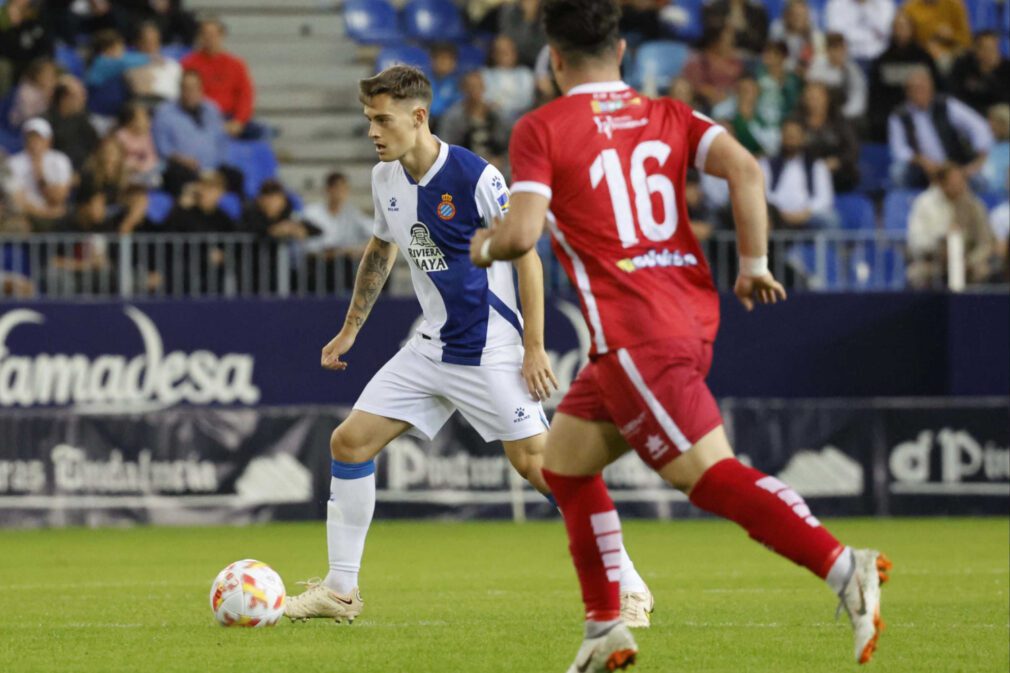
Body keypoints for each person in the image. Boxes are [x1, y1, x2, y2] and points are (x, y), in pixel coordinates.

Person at [467, 2, 889, 671]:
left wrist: (485, 245)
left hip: (635, 330)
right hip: (678, 319)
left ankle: (844, 565)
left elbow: (520, 235)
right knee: (566, 465)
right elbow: (747, 169)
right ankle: (605, 625)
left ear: (552, 59)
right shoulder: (669, 115)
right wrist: (753, 265)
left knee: (709, 475)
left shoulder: (540, 128)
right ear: (624, 51)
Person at [283, 65, 653, 629]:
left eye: (382, 120)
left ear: (419, 117)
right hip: (429, 349)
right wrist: (351, 327)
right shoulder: (385, 179)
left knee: (544, 467)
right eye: (368, 121)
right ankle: (340, 589)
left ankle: (629, 585)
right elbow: (380, 251)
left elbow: (526, 254)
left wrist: (534, 346)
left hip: (489, 351)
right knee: (351, 443)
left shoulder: (476, 176)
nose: (373, 132)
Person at [888, 66, 993, 188]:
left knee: (982, 179)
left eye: (923, 88)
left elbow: (979, 126)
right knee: (898, 171)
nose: (919, 92)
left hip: (953, 165)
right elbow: (898, 150)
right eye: (914, 89)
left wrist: (980, 156)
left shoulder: (947, 105)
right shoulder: (899, 116)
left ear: (931, 88)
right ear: (907, 92)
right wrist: (921, 161)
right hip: (920, 169)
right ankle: (904, 203)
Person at [906, 162, 994, 287]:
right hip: (933, 261)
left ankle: (975, 306)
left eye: (962, 181)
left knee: (983, 270)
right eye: (954, 183)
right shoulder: (924, 203)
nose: (960, 186)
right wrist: (940, 244)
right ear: (942, 184)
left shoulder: (974, 205)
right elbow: (916, 240)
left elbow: (985, 242)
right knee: (916, 273)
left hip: (967, 260)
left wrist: (969, 261)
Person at [152, 69, 237, 196]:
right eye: (186, 88)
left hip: (213, 168)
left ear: (201, 90)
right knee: (176, 176)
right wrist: (181, 159)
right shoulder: (165, 113)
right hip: (184, 168)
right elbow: (162, 146)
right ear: (180, 90)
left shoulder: (212, 109)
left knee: (236, 176)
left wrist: (216, 166)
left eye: (194, 88)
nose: (190, 93)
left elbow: (222, 141)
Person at [867, 11, 941, 141]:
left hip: (924, 112)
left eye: (904, 26)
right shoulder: (882, 60)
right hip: (892, 115)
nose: (901, 31)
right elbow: (876, 96)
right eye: (897, 27)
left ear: (912, 30)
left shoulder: (924, 58)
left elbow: (938, 87)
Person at [181, 17, 255, 138]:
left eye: (213, 34)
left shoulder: (236, 64)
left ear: (222, 36)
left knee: (262, 132)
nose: (209, 38)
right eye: (205, 34)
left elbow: (246, 95)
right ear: (200, 37)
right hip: (201, 118)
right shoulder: (188, 64)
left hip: (231, 117)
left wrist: (238, 121)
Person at [762, 119, 838, 228]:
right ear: (781, 137)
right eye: (788, 135)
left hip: (808, 216)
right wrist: (779, 212)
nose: (791, 140)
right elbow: (763, 194)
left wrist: (805, 213)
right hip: (777, 216)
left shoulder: (817, 166)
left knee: (831, 219)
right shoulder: (767, 164)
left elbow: (824, 198)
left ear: (803, 138)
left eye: (795, 135)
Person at [3, 117, 72, 231]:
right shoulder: (13, 163)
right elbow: (17, 200)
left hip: (57, 217)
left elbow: (58, 198)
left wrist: (39, 173)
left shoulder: (60, 160)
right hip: (28, 216)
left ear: (49, 140)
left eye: (39, 138)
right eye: (31, 137)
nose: (35, 142)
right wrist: (45, 214)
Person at [438, 71, 510, 169]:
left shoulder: (496, 114)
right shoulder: (452, 117)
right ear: (463, 89)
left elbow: (509, 143)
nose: (474, 91)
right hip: (465, 165)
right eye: (470, 87)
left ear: (484, 87)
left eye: (478, 86)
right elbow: (445, 147)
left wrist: (500, 159)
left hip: (495, 165)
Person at [798, 81, 860, 193]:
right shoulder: (797, 122)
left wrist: (838, 161)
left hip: (836, 173)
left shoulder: (840, 121)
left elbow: (853, 149)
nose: (814, 101)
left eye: (818, 97)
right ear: (804, 100)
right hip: (805, 173)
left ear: (827, 98)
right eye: (810, 97)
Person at [680, 24, 745, 110]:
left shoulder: (736, 62)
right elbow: (695, 85)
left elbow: (741, 83)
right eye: (725, 41)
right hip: (707, 105)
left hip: (733, 102)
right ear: (714, 43)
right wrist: (713, 93)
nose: (730, 46)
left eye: (732, 42)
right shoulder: (700, 61)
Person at [806, 32, 868, 120]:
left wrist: (843, 114)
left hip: (844, 115)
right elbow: (812, 92)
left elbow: (858, 99)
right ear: (827, 50)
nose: (838, 53)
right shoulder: (817, 64)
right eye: (834, 49)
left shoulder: (852, 70)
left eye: (841, 48)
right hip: (821, 113)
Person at [45, 75, 100, 173]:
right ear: (64, 98)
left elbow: (94, 147)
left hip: (80, 175)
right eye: (79, 96)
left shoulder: (83, 119)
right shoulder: (46, 121)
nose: (84, 100)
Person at [948, 31, 1010, 116]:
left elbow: (1005, 99)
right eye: (985, 48)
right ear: (975, 49)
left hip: (998, 115)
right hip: (970, 113)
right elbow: (954, 93)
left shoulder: (1006, 68)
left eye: (993, 48)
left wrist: (990, 73)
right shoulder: (963, 65)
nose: (990, 53)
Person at [481, 34, 536, 124]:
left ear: (515, 53)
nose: (505, 54)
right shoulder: (484, 75)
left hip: (522, 119)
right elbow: (486, 100)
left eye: (509, 50)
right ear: (493, 54)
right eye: (501, 51)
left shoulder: (526, 74)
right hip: (493, 121)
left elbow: (527, 100)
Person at [901, 0, 971, 67]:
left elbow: (966, 41)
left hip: (950, 54)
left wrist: (951, 36)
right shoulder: (910, 8)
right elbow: (903, 38)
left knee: (944, 60)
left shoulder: (954, 5)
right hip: (919, 54)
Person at [129, 20, 183, 103]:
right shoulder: (131, 66)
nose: (151, 46)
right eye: (146, 42)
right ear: (137, 43)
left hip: (174, 109)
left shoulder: (173, 65)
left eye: (154, 41)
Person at [824, 0, 896, 63]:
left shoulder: (884, 3)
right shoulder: (836, 3)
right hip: (849, 57)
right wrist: (870, 37)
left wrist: (866, 6)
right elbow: (836, 34)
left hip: (881, 57)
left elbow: (886, 31)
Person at [769, 0, 825, 73]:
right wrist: (796, 68)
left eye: (803, 15)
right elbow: (775, 57)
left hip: (808, 74)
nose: (799, 20)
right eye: (796, 15)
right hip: (783, 73)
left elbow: (821, 58)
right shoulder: (777, 29)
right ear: (786, 15)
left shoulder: (815, 34)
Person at [115, 102, 161, 188]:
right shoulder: (120, 136)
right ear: (131, 121)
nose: (147, 122)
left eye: (147, 118)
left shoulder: (148, 137)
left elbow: (151, 157)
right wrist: (133, 165)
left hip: (145, 172)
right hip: (127, 173)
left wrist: (144, 167)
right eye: (142, 118)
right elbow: (118, 158)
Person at [701, 0, 769, 57]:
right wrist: (726, 25)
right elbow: (707, 39)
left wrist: (744, 29)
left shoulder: (758, 12)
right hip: (718, 57)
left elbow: (761, 44)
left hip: (748, 58)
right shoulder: (714, 8)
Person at [8, 57, 57, 128]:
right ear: (37, 75)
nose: (51, 78)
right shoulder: (26, 91)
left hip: (41, 128)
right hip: (18, 128)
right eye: (47, 74)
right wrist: (46, 97)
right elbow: (29, 117)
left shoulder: (50, 90)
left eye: (52, 74)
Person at [428, 42, 461, 121]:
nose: (443, 62)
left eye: (448, 59)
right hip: (427, 119)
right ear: (432, 61)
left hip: (449, 121)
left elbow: (459, 105)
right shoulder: (423, 81)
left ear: (454, 63)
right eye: (440, 58)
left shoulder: (459, 84)